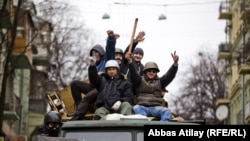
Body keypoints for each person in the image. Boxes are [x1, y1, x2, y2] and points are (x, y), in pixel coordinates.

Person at [70, 30, 119, 120]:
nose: (95, 54)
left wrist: (111, 38)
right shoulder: (93, 65)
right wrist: (91, 67)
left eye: (97, 52)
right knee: (75, 84)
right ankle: (78, 107)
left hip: (103, 87)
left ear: (101, 53)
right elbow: (91, 79)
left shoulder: (106, 61)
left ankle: (78, 116)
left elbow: (110, 49)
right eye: (93, 53)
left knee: (87, 97)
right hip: (93, 86)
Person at [125, 51, 179, 121]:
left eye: (154, 71)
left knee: (167, 111)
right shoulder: (139, 80)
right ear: (145, 72)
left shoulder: (160, 81)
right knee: (136, 108)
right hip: (142, 106)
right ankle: (144, 128)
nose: (151, 72)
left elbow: (169, 76)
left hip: (156, 107)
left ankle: (159, 130)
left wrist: (175, 64)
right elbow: (133, 73)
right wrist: (130, 61)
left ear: (156, 73)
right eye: (149, 71)